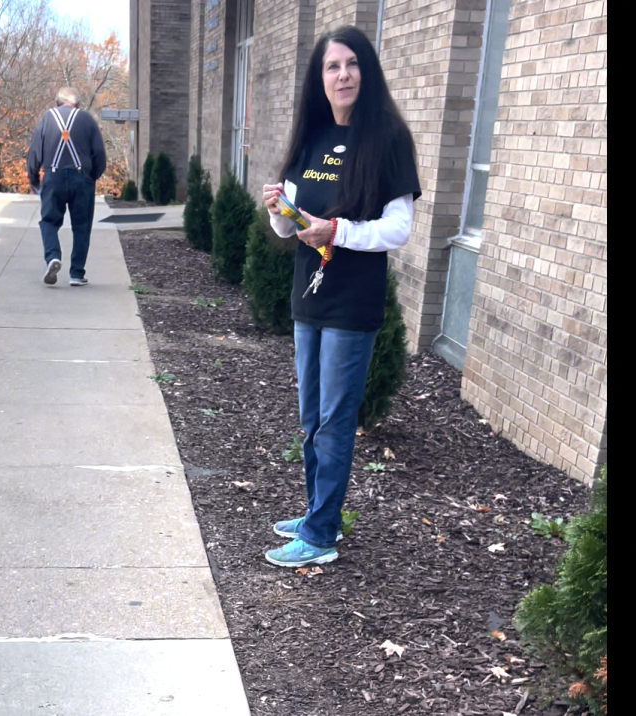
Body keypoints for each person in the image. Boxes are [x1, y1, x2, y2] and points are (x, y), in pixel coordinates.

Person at [261, 25, 421, 568]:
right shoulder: (310, 137)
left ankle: (322, 534)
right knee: (311, 417)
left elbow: (398, 228)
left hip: (353, 303)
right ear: (320, 79)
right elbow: (291, 230)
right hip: (309, 297)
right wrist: (278, 208)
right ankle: (314, 512)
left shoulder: (389, 139)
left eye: (351, 64)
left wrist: (340, 233)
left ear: (366, 71)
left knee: (334, 419)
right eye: (332, 67)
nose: (342, 75)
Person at [27, 87, 107, 286]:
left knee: (48, 221)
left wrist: (34, 180)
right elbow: (99, 153)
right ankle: (77, 274)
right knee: (82, 226)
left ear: (57, 103)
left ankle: (53, 256)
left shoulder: (46, 118)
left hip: (53, 176)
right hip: (82, 179)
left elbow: (34, 153)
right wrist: (92, 176)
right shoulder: (87, 120)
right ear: (77, 105)